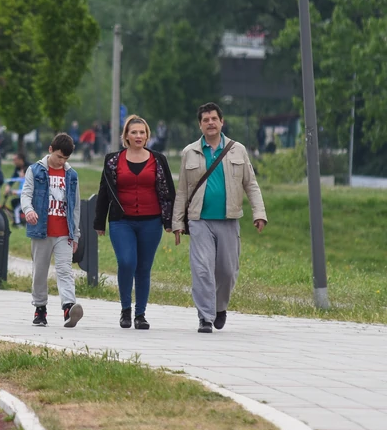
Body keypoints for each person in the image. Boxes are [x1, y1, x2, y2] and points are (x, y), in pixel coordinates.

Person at [172, 102, 268, 333]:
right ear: (200, 125)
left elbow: (251, 184)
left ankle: (219, 306)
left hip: (229, 218)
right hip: (199, 220)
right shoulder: (190, 152)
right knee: (202, 268)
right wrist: (177, 222)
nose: (210, 123)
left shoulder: (238, 150)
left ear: (221, 122)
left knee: (226, 270)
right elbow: (183, 190)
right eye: (205, 120)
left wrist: (259, 213)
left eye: (214, 118)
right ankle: (205, 316)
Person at [94, 115, 176, 330]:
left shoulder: (158, 159)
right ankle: (125, 309)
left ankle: (140, 314)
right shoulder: (113, 160)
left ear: (147, 135)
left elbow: (168, 191)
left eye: (142, 132)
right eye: (134, 132)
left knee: (143, 268)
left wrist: (171, 221)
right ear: (126, 136)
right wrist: (99, 222)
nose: (138, 136)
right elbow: (104, 190)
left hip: (151, 221)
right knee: (127, 261)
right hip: (122, 221)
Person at [20, 133, 84, 328]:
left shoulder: (72, 175)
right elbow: (26, 195)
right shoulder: (35, 170)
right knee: (40, 272)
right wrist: (29, 211)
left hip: (64, 232)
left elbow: (75, 207)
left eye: (65, 158)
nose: (61, 162)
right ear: (50, 150)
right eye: (58, 156)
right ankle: (40, 308)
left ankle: (68, 307)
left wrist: (76, 235)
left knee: (65, 271)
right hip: (41, 231)